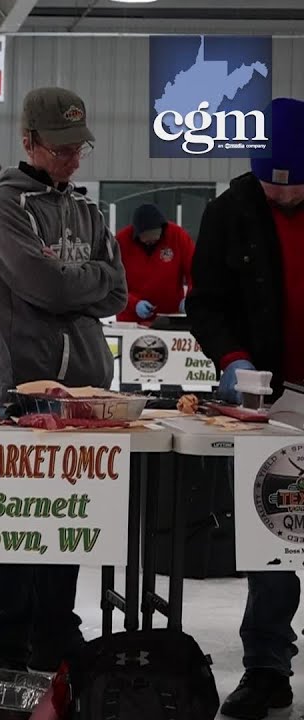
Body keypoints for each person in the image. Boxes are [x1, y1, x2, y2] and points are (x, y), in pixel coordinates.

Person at [0, 86, 126, 673]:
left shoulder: (88, 210)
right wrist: (78, 281)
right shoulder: (7, 206)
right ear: (29, 143)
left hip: (88, 396)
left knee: (67, 528)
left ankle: (56, 638)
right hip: (26, 393)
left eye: (79, 148)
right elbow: (43, 285)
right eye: (62, 149)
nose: (71, 158)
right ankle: (6, 645)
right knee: (17, 531)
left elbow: (117, 290)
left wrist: (73, 281)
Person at [187, 96, 304, 720]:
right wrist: (230, 358)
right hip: (272, 399)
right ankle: (266, 665)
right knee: (274, 536)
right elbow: (206, 301)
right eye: (270, 184)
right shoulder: (230, 211)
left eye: (294, 186)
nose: (281, 197)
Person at [115, 202, 195, 323]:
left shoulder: (178, 237)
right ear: (137, 234)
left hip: (171, 318)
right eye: (147, 241)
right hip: (130, 320)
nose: (151, 243)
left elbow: (196, 272)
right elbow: (114, 283)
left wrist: (191, 298)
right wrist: (133, 303)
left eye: (154, 239)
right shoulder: (121, 242)